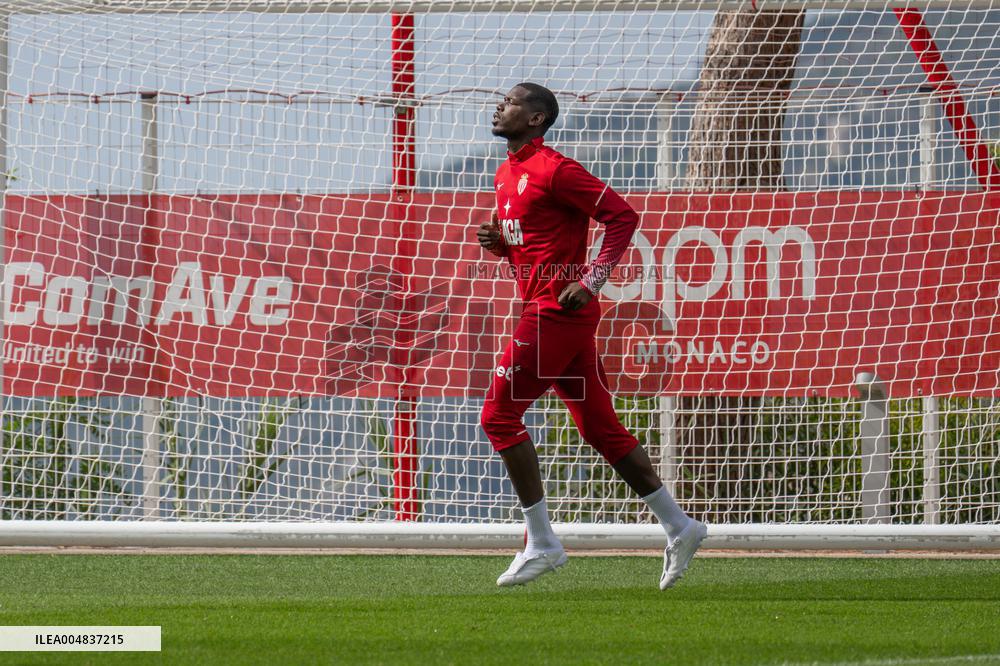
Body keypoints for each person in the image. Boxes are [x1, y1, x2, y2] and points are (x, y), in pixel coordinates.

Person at [476, 82, 707, 589]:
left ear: (536, 118)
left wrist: (591, 280)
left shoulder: (556, 169)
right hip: (552, 314)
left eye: (511, 101)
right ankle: (680, 525)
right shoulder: (505, 173)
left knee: (498, 415)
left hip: (556, 313)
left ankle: (541, 542)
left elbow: (622, 215)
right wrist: (501, 248)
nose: (500, 106)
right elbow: (534, 249)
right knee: (599, 428)